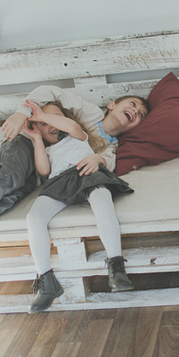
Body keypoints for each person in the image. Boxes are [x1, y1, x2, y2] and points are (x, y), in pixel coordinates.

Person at [0, 85, 149, 254]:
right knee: (11, 177)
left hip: (43, 167)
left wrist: (98, 159)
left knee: (12, 196)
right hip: (27, 142)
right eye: (133, 104)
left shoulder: (112, 146)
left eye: (141, 114)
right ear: (112, 105)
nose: (135, 111)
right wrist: (22, 114)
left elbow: (107, 162)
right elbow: (48, 91)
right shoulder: (89, 113)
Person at [21, 100, 134, 312]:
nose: (51, 125)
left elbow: (71, 126)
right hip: (60, 182)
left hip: (86, 171)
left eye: (56, 118)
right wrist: (36, 139)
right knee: (34, 218)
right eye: (44, 125)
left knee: (102, 200)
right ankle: (46, 280)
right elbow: (44, 171)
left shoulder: (77, 135)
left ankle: (116, 266)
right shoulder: (48, 149)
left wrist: (41, 116)